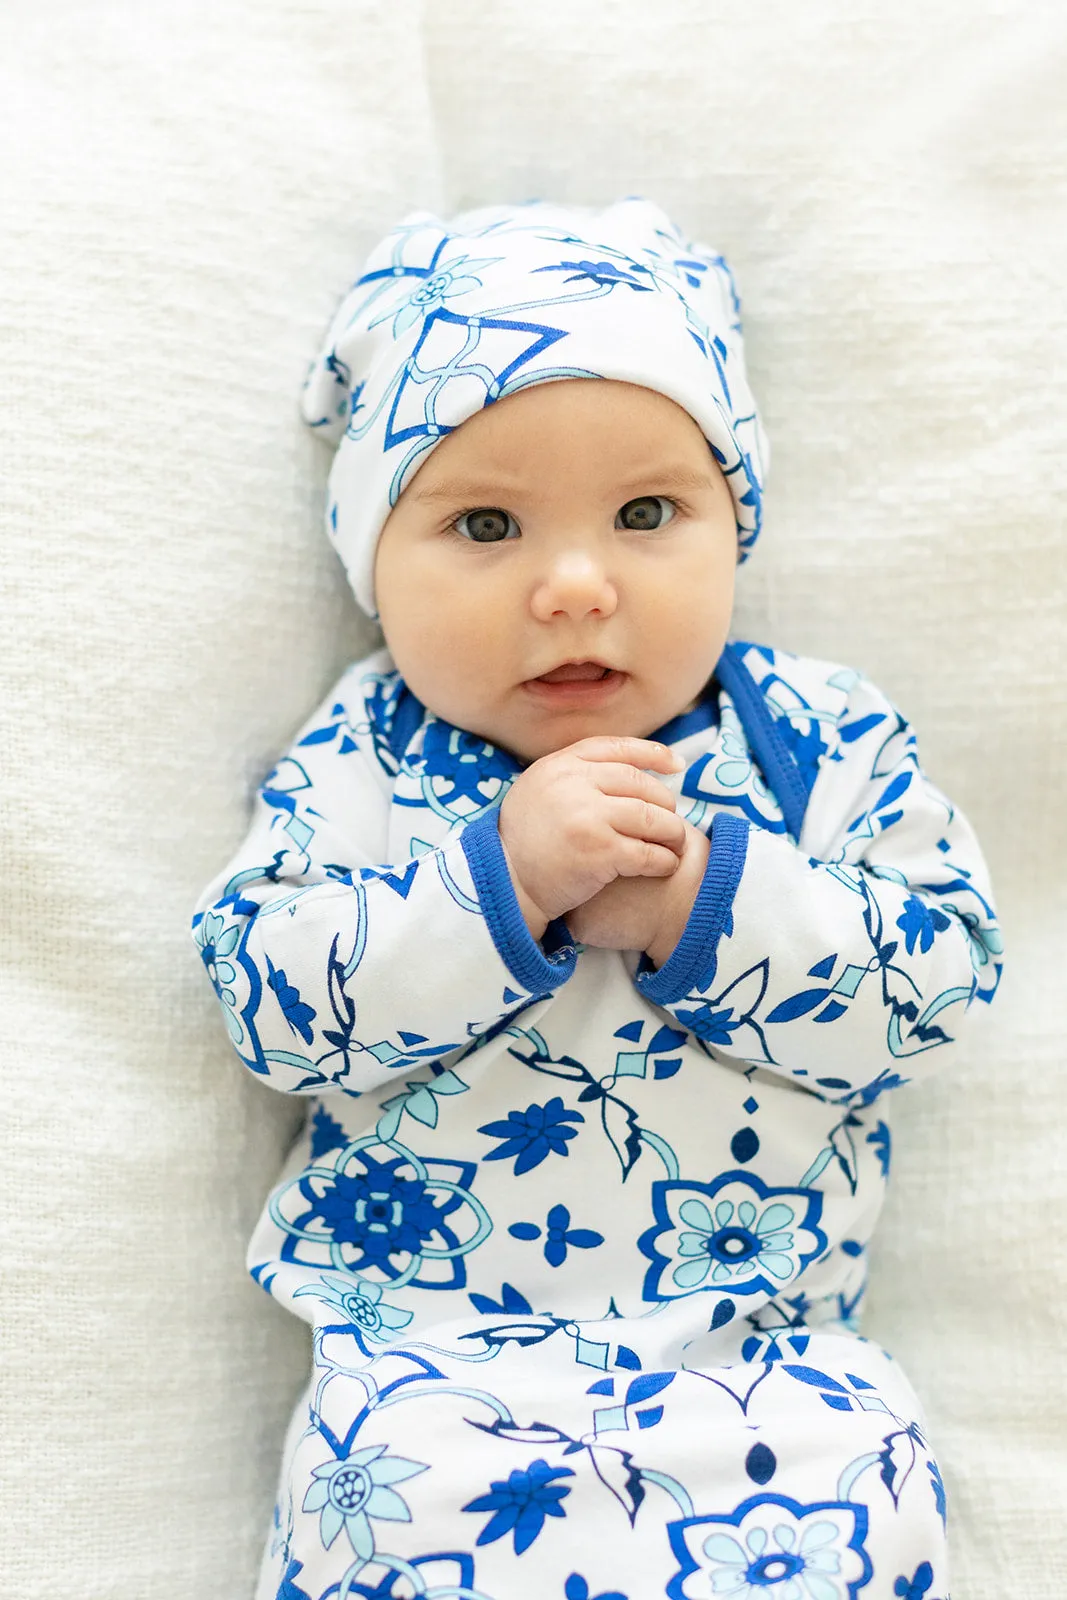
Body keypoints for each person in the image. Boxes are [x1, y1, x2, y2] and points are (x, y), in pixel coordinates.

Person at [192, 200, 1002, 1600]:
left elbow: (933, 987)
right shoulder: (365, 756)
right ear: (368, 559)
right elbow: (275, 1003)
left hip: (759, 1364)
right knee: (378, 1510)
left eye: (645, 513)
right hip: (427, 1368)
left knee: (864, 1490)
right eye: (486, 524)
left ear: (733, 523)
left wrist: (702, 902)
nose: (574, 585)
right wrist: (492, 886)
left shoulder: (812, 739)